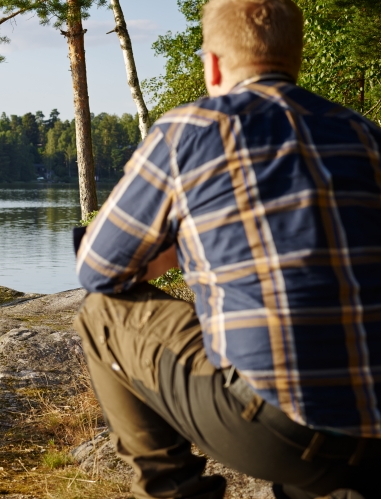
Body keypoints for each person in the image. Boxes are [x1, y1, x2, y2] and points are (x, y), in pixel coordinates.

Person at [73, 0, 381, 497]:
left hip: (274, 431)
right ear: (294, 58)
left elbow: (97, 270)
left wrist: (176, 252)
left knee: (101, 312)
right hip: (373, 438)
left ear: (212, 64)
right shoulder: (364, 136)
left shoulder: (190, 132)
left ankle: (175, 491)